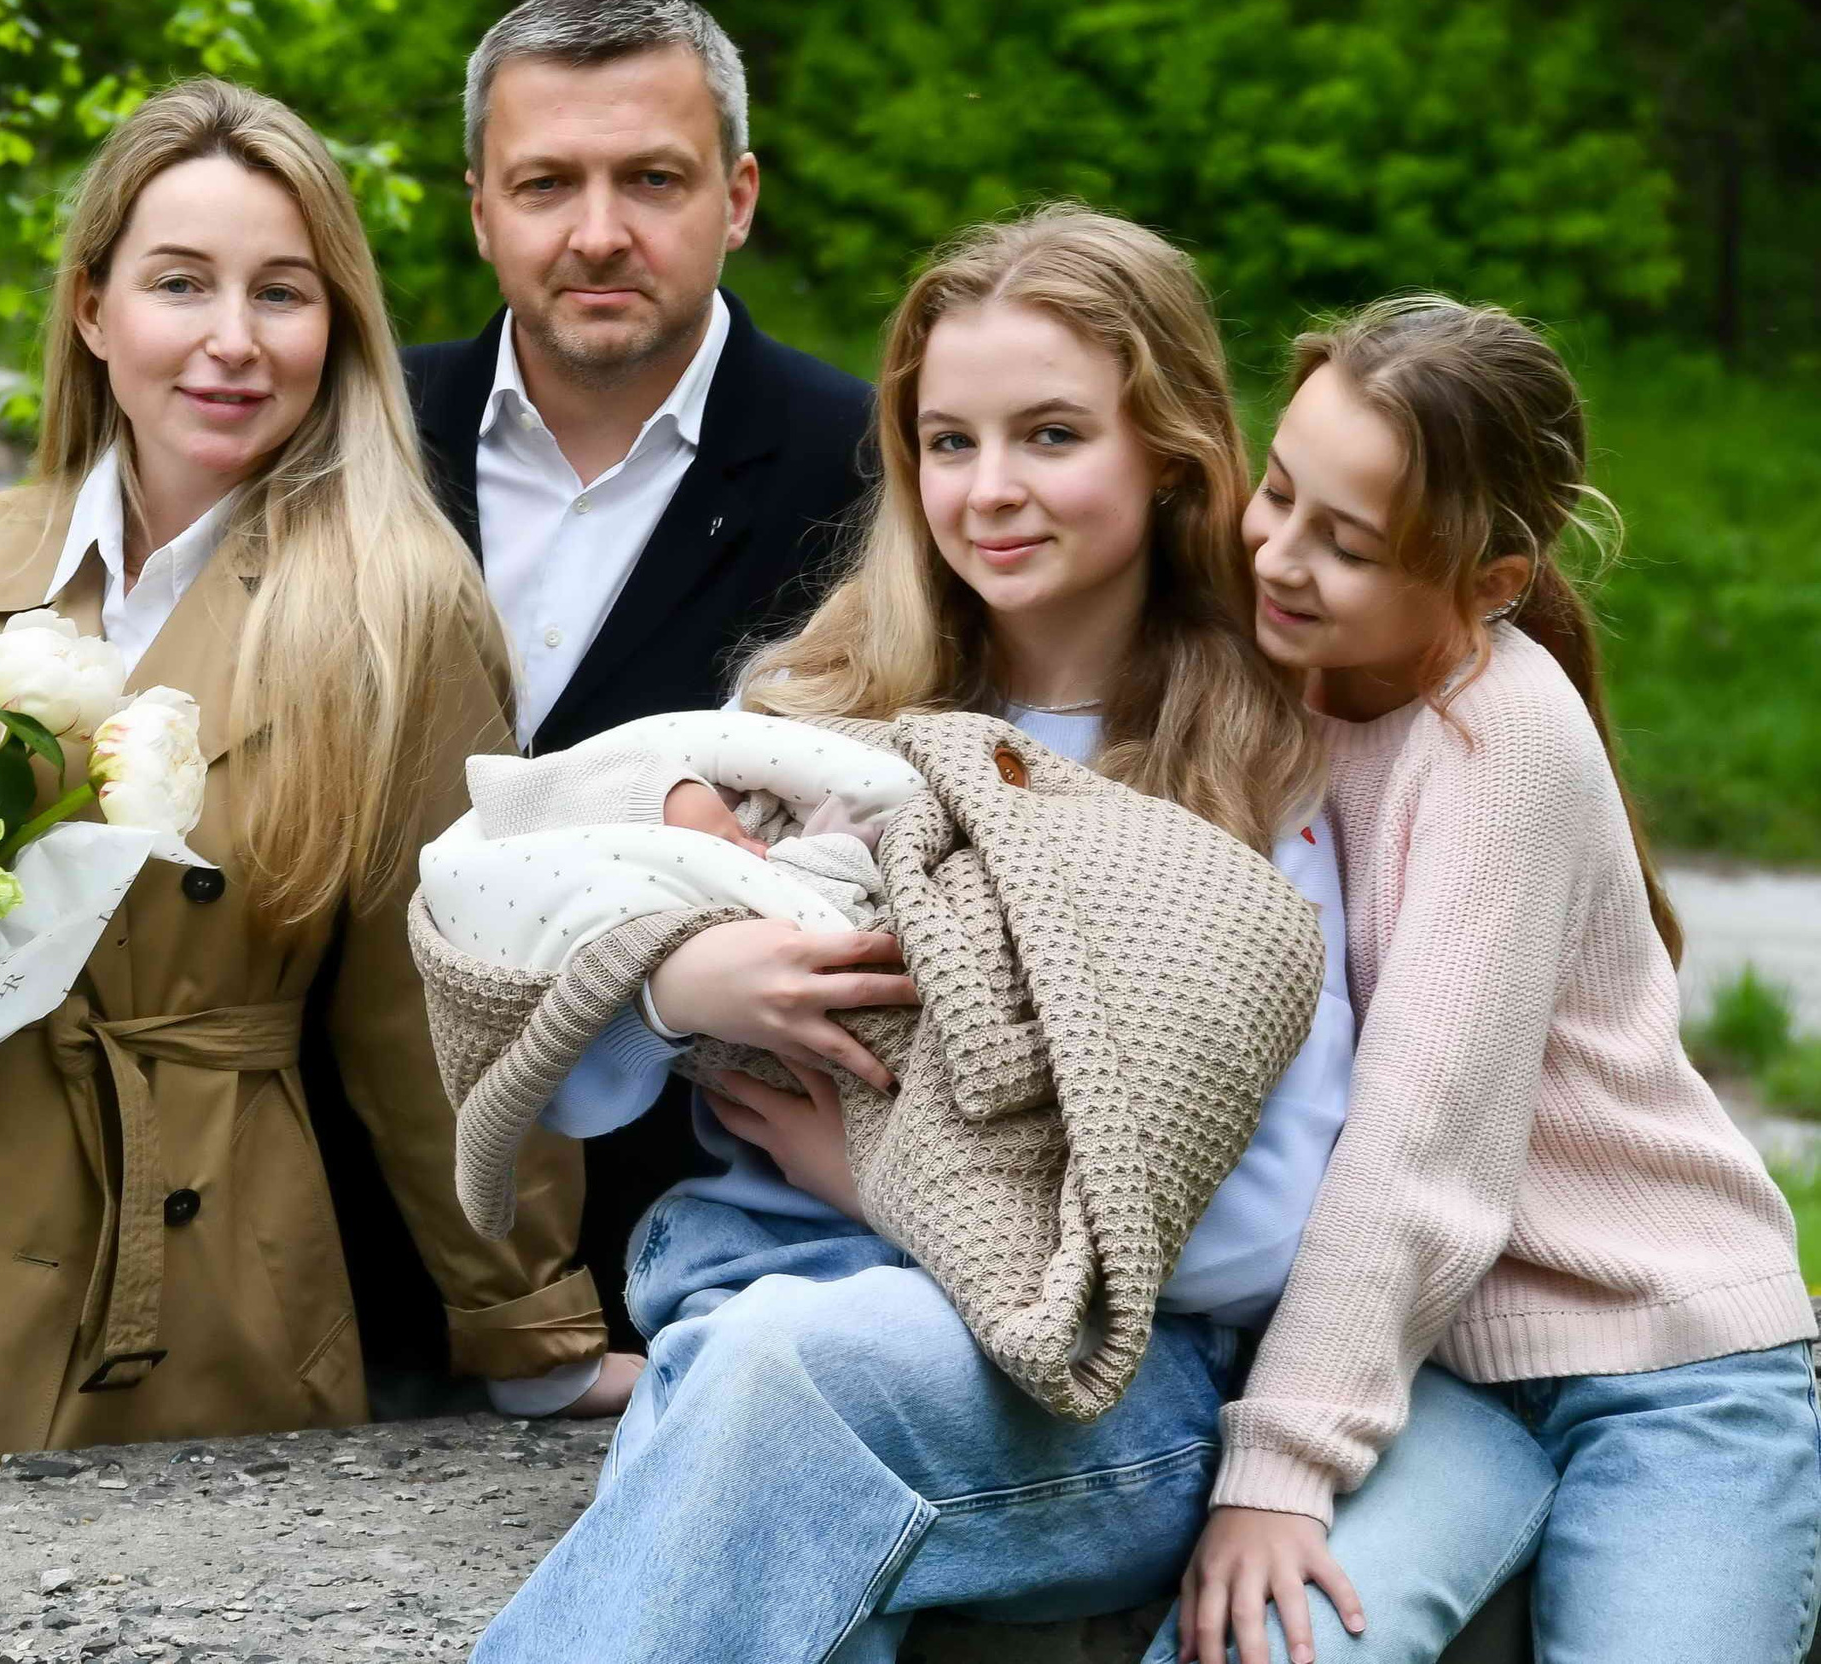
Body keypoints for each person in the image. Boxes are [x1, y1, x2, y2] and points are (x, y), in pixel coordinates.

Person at [0, 78, 614, 1502]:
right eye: (180, 283)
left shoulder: (394, 612)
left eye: (283, 292)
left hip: (165, 1282)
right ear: (93, 309)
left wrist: (529, 1325)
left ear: (337, 330)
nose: (233, 339)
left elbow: (433, 998)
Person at [472, 205, 1357, 1663]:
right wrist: (683, 982)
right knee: (778, 1416)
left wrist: (893, 1179)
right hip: (744, 1292)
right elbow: (572, 1091)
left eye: (1052, 436)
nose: (990, 490)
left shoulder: (1256, 772)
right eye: (949, 442)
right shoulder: (813, 712)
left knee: (784, 1376)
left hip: (1108, 1388)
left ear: (1169, 451)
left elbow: (1261, 1235)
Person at [1153, 295, 1819, 1664]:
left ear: (1492, 580)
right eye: (1278, 491)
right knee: (1265, 1644)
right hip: (1438, 1376)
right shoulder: (1275, 674)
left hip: (1668, 1368)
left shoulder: (1498, 738)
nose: (1279, 553)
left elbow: (1424, 1143)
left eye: (1349, 545)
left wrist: (1277, 1465)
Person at [324, 0, 876, 1387]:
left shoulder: (872, 474)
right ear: (479, 210)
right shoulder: (353, 439)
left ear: (738, 198)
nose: (598, 232)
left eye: (653, 179)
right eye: (545, 184)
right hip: (334, 1243)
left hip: (687, 1270)